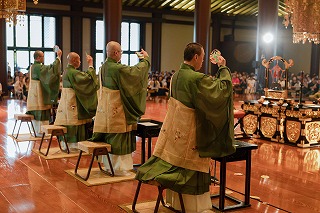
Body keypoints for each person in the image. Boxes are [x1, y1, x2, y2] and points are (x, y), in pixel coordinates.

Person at [135, 42, 236, 212]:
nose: (203, 62)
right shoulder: (196, 78)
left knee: (174, 162)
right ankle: (193, 207)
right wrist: (223, 68)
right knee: (190, 167)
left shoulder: (176, 76)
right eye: (202, 58)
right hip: (191, 131)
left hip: (174, 131)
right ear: (195, 57)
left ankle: (174, 201)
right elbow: (221, 91)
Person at [89, 41, 151, 176]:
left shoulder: (104, 66)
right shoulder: (116, 68)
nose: (121, 55)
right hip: (117, 107)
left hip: (106, 107)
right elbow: (135, 73)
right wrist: (145, 60)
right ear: (116, 53)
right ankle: (120, 168)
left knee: (110, 135)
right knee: (119, 135)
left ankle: (109, 165)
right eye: (121, 52)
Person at [54, 52, 98, 149]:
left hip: (66, 100)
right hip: (72, 100)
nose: (80, 62)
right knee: (73, 120)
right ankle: (74, 146)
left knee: (68, 120)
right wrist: (90, 65)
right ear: (74, 61)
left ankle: (66, 145)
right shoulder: (72, 72)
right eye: (79, 60)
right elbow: (87, 79)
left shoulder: (67, 70)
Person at [26, 49, 62, 136]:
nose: (43, 58)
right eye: (42, 56)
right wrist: (58, 58)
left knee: (38, 110)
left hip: (33, 91)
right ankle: (41, 131)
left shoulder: (32, 66)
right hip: (38, 92)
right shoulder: (38, 67)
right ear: (38, 57)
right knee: (40, 109)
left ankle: (37, 130)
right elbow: (50, 70)